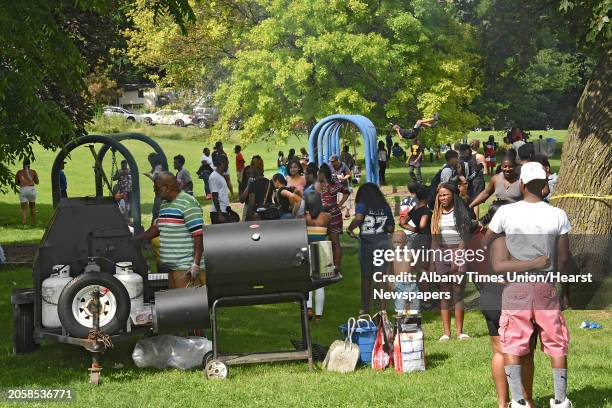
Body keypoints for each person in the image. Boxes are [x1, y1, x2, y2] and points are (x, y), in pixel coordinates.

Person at [483, 162, 573, 408]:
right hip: (545, 287)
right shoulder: (558, 215)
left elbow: (486, 240)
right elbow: (564, 259)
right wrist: (565, 293)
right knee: (556, 343)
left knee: (512, 342)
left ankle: (519, 400)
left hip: (516, 287)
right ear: (545, 186)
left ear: (521, 184)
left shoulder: (505, 213)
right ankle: (560, 399)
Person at [481, 236, 541, 408]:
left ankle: (502, 403)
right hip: (512, 296)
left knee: (499, 351)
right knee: (526, 352)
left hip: (490, 294)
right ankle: (525, 402)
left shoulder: (492, 238)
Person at [136, 172, 204, 288]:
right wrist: (135, 239)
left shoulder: (188, 203)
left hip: (185, 267)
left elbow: (198, 234)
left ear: (166, 188)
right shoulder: (164, 204)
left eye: (156, 187)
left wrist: (195, 264)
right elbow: (159, 227)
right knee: (175, 303)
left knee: (184, 304)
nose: (154, 190)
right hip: (173, 268)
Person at [430, 183, 475, 341]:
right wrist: (432, 261)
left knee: (458, 292)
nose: (442, 198)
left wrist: (458, 256)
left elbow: (464, 236)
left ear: (453, 195)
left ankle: (459, 331)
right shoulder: (436, 214)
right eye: (440, 195)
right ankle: (446, 333)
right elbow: (434, 239)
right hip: (441, 253)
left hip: (458, 251)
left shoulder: (461, 212)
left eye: (445, 195)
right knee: (445, 293)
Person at [347, 183, 395, 314]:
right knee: (381, 278)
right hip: (383, 243)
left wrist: (350, 228)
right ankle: (382, 307)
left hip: (367, 244)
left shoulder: (362, 205)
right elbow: (391, 228)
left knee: (366, 277)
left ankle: (365, 308)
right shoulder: (385, 206)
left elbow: (358, 218)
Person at [469, 153, 522, 225]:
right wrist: (470, 206)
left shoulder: (521, 181)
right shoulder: (496, 179)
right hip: (497, 215)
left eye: (510, 166)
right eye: (505, 166)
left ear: (515, 166)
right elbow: (486, 193)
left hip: (515, 217)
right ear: (501, 167)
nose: (507, 169)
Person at [304, 192, 331, 321]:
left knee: (308, 281)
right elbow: (329, 233)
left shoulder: (304, 217)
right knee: (321, 284)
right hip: (323, 248)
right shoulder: (326, 216)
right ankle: (319, 316)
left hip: (308, 247)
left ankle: (309, 308)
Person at [317, 164, 349, 271]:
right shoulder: (333, 185)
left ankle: (336, 267)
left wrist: (340, 204)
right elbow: (346, 192)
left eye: (319, 174)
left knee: (333, 242)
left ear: (323, 174)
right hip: (333, 214)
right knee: (333, 242)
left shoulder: (323, 185)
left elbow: (346, 193)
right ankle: (334, 266)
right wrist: (339, 205)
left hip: (329, 215)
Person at [391, 231, 420, 314]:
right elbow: (388, 270)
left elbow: (416, 266)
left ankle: (414, 323)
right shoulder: (391, 255)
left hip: (412, 283)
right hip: (399, 284)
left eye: (399, 242)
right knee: (400, 306)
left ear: (406, 242)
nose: (397, 245)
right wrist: (390, 282)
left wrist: (422, 273)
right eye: (394, 242)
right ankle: (400, 324)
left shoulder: (411, 254)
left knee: (414, 305)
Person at [240, 156, 274, 221]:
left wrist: (247, 219)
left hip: (257, 216)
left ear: (254, 168)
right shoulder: (269, 182)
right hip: (268, 215)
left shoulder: (253, 184)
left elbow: (251, 204)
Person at [459, 143, 485, 217]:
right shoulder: (463, 163)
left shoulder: (462, 161)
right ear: (466, 151)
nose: (471, 152)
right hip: (461, 190)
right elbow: (465, 178)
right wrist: (477, 171)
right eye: (470, 150)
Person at [15, 159, 39, 225]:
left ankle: (24, 222)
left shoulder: (19, 172)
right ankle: (33, 222)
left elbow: (16, 182)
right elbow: (37, 182)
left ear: (23, 164)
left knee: (23, 208)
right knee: (33, 206)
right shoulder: (33, 171)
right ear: (29, 165)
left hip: (23, 190)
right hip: (31, 190)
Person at [329, 155, 353, 219]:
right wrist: (333, 176)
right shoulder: (329, 166)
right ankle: (336, 211)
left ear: (337, 161)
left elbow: (349, 174)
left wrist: (344, 178)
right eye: (331, 161)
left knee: (348, 196)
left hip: (343, 184)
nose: (332, 163)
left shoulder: (343, 165)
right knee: (335, 198)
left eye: (333, 161)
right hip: (334, 184)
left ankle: (347, 211)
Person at [209, 155, 230, 224]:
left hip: (224, 211)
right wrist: (220, 214)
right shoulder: (214, 176)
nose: (228, 166)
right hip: (217, 213)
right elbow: (215, 196)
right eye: (227, 163)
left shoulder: (221, 176)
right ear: (222, 163)